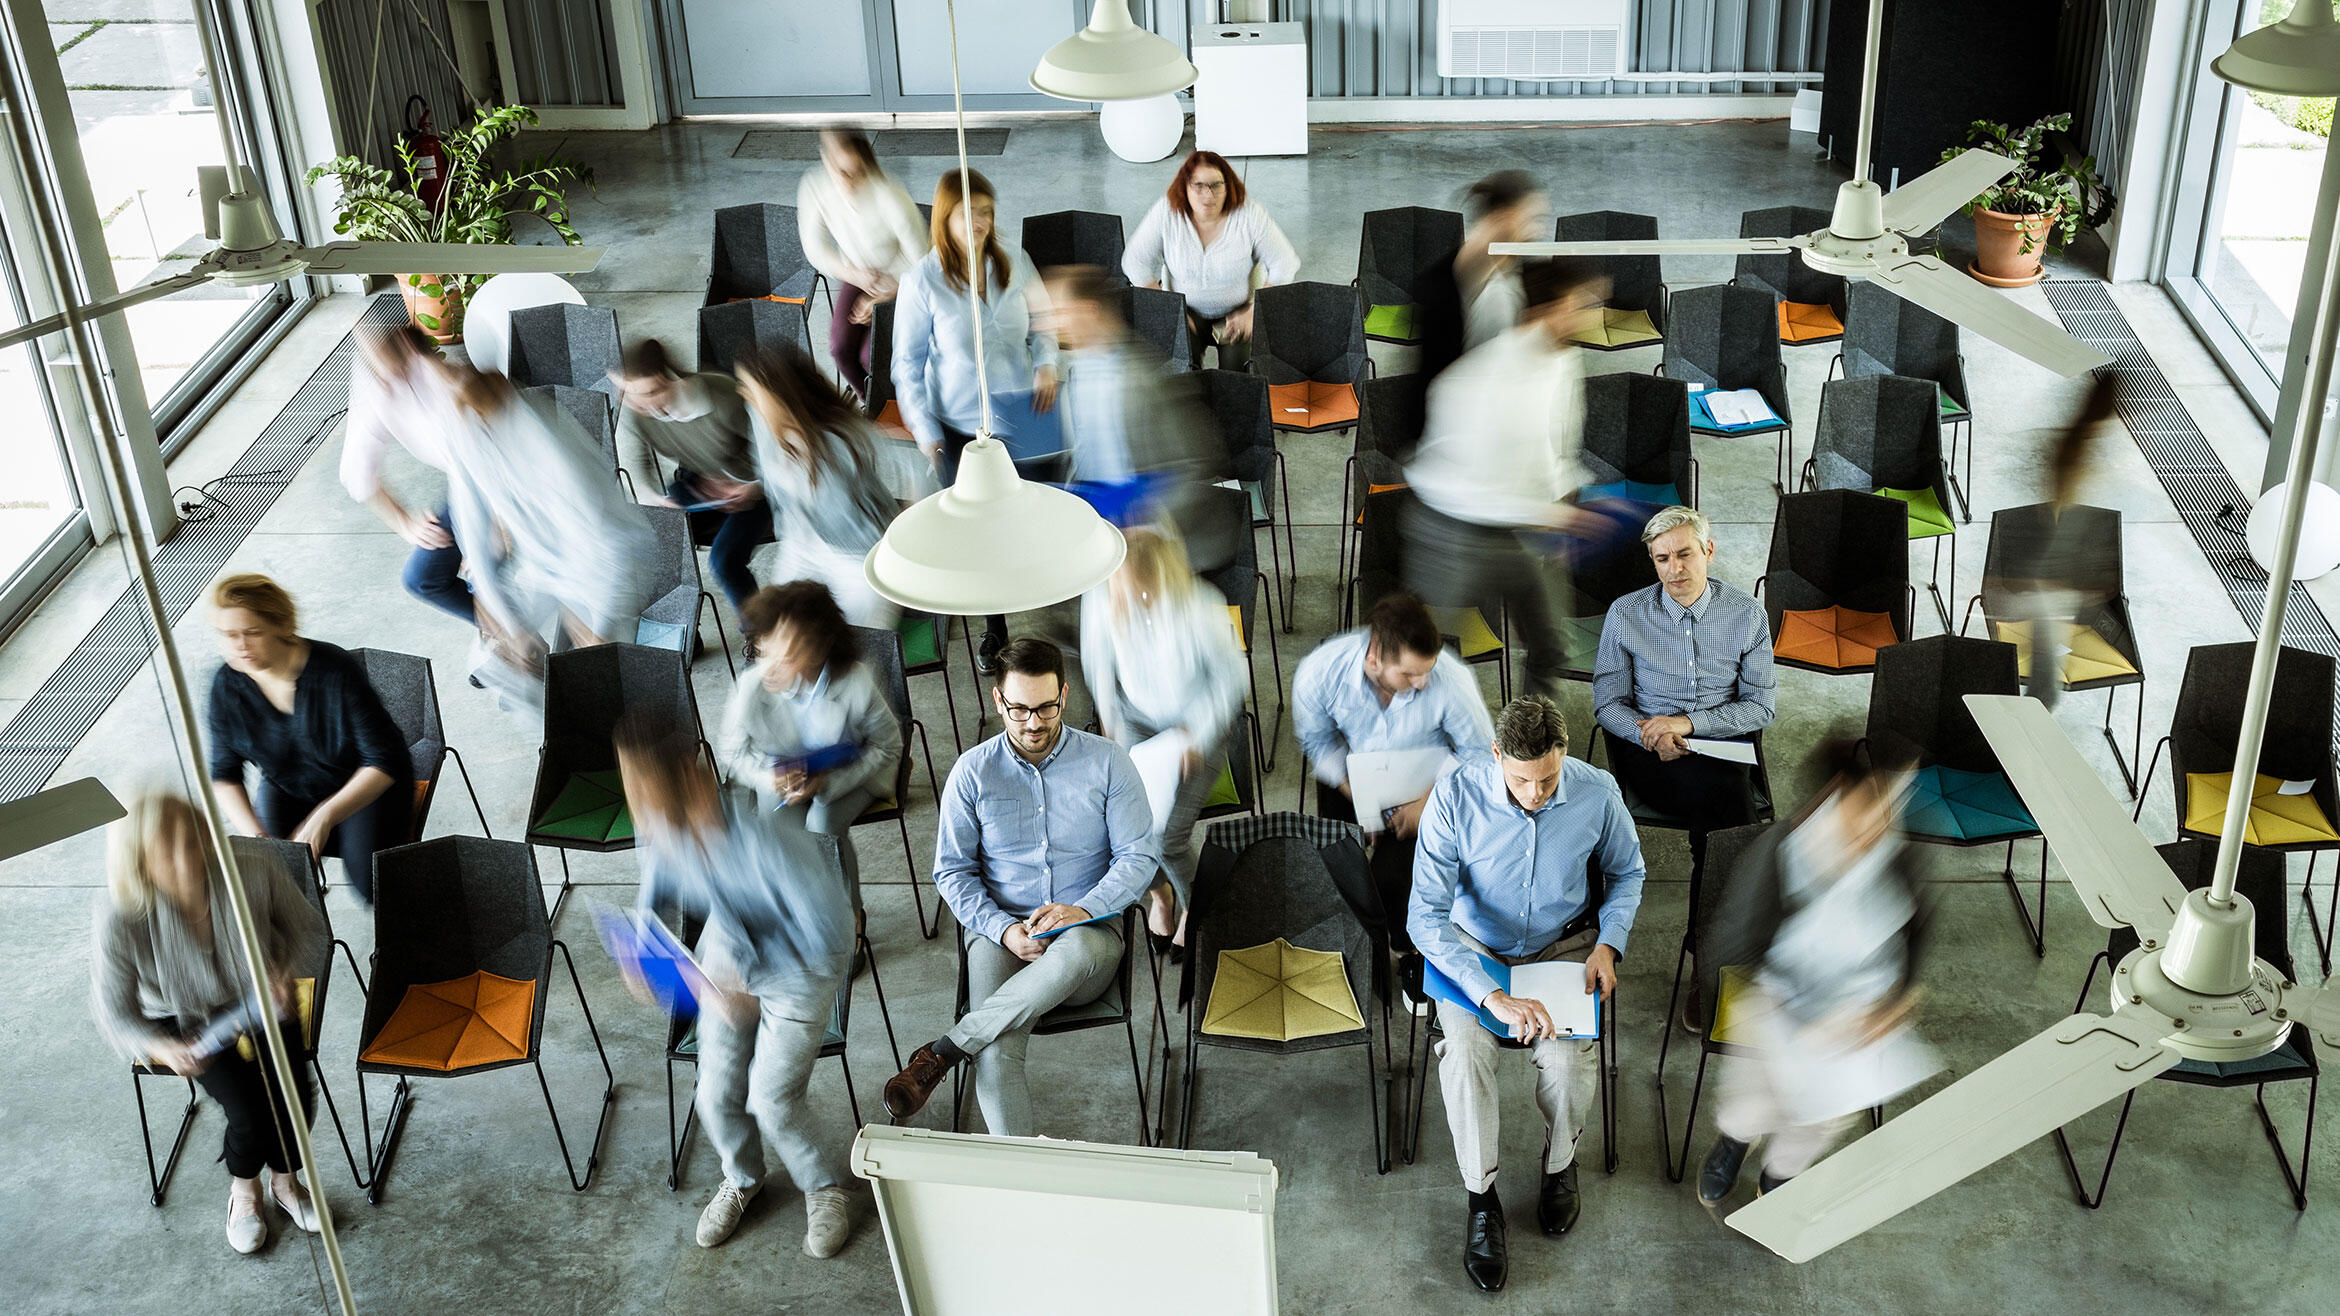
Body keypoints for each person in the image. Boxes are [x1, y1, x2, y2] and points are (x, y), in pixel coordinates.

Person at [1408, 697, 1646, 1292]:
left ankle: (1560, 1167)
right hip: (1474, 953)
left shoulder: (1598, 792)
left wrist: (1608, 945)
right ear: (1497, 756)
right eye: (1521, 780)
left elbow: (1628, 872)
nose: (1536, 793)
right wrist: (1491, 996)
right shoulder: (1454, 797)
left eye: (1548, 778)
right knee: (1463, 1056)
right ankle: (1482, 1198)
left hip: (1561, 948)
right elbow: (1425, 916)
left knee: (1569, 1060)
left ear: (1564, 758)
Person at [880, 638, 1158, 1136]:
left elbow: (1139, 855)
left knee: (1069, 954)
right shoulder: (971, 773)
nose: (1035, 722)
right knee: (994, 1053)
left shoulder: (1109, 761)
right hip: (1001, 935)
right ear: (997, 701)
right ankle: (1025, 1174)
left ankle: (944, 1050)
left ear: (1065, 695)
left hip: (1088, 939)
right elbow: (952, 872)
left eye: (1047, 707)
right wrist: (1004, 931)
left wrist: (1084, 909)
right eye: (1021, 709)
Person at [617, 721, 859, 1258]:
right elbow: (655, 886)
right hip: (729, 951)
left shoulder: (770, 841)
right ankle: (744, 1177)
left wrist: (748, 986)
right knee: (715, 1094)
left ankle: (825, 1186)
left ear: (690, 779)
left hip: (800, 969)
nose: (637, 807)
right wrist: (643, 943)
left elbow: (836, 936)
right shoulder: (663, 827)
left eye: (643, 790)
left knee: (772, 1100)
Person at [1698, 740, 1933, 1208]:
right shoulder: (1781, 853)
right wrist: (1774, 1012)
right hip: (1773, 1003)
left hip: (1852, 1020)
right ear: (1837, 793)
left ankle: (1779, 1175)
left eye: (1890, 807)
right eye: (1870, 804)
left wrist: (1897, 1002)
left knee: (1816, 1120)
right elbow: (1730, 949)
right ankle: (1734, 1142)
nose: (1879, 823)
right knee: (1751, 1104)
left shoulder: (1902, 859)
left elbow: (1915, 937)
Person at [91, 791, 328, 1254]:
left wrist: (283, 968)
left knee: (295, 1094)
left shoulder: (254, 868)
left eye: (195, 835)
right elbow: (115, 1015)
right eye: (169, 848)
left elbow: (307, 928)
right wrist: (161, 1048)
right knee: (248, 1111)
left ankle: (285, 1181)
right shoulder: (119, 915)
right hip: (184, 1015)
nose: (191, 854)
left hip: (259, 989)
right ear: (139, 862)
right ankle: (245, 1192)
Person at [1592, 504, 1776, 1031]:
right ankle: (1713, 962)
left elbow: (1761, 707)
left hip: (1716, 744)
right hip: (1648, 752)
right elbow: (1608, 704)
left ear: (1709, 552)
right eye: (1662, 558)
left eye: (1685, 554)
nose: (1675, 568)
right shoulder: (1626, 613)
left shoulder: (1747, 614)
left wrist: (1688, 725)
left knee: (1723, 808)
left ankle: (1710, 954)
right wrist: (1654, 734)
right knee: (1731, 824)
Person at [1404, 258, 1609, 704]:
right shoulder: (1485, 378)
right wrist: (1555, 516)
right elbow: (1474, 485)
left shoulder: (1566, 359)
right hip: (1450, 526)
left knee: (1550, 644)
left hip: (1518, 526)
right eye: (1582, 305)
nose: (1592, 315)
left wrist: (1565, 502)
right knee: (1421, 657)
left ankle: (1531, 744)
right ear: (1545, 311)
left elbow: (1556, 448)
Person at [893, 168, 1061, 668]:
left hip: (1021, 411)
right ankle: (995, 630)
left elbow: (1045, 323)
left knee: (1036, 508)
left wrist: (1049, 363)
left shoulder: (1016, 262)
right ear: (946, 218)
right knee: (981, 535)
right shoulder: (921, 281)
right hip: (959, 425)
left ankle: (1045, 590)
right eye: (970, 213)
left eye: (987, 211)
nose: (981, 222)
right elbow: (906, 367)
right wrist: (925, 432)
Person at [1293, 592, 1495, 967]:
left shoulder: (1453, 681)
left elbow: (1480, 755)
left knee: (1393, 879)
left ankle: (1407, 949)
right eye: (1409, 674)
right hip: (1352, 774)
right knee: (1337, 866)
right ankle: (1352, 942)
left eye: (1427, 671)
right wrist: (1360, 799)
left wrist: (1426, 804)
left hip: (1426, 785)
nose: (1422, 683)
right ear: (1374, 659)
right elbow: (1319, 742)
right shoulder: (1319, 672)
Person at [441, 368, 656, 707]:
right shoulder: (470, 435)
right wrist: (511, 627)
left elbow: (598, 535)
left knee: (603, 669)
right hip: (545, 565)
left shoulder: (548, 442)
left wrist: (584, 616)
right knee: (506, 669)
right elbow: (472, 524)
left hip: (607, 560)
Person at [1079, 526, 1248, 947]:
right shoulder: (1105, 597)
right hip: (1138, 719)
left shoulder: (1200, 605)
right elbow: (1099, 667)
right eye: (1123, 590)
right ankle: (1162, 894)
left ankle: (1199, 910)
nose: (1130, 600)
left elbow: (1230, 680)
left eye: (1140, 590)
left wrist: (1195, 735)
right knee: (1125, 832)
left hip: (1199, 719)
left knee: (1169, 841)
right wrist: (1113, 731)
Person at [205, 573, 411, 906]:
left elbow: (384, 760)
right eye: (229, 635)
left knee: (371, 885)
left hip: (363, 785)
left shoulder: (334, 671)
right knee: (271, 882)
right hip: (288, 785)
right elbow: (224, 775)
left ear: (283, 626)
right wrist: (258, 837)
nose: (239, 646)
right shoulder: (227, 686)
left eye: (252, 633)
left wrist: (323, 817)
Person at [716, 581, 901, 903]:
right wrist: (769, 779)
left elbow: (888, 746)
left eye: (786, 657)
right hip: (784, 779)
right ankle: (806, 911)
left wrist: (828, 782)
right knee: (774, 831)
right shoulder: (751, 687)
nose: (768, 668)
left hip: (854, 772)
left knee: (822, 824)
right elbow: (733, 751)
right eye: (763, 651)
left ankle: (851, 913)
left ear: (819, 649)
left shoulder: (857, 682)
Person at [1046, 264, 1239, 573]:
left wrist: (1137, 525)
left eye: (1059, 312)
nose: (1050, 323)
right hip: (1106, 537)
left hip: (1163, 550)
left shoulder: (1145, 379)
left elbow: (1192, 470)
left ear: (1088, 310)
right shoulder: (1075, 372)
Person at [735, 342, 901, 629]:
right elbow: (772, 480)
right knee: (781, 626)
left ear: (779, 397)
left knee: (855, 640)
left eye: (752, 389)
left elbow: (909, 465)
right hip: (803, 545)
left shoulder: (841, 439)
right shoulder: (761, 421)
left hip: (860, 557)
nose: (744, 394)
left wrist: (907, 527)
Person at [1986, 374, 2122, 707]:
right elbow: (2058, 528)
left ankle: (2026, 721)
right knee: (2046, 689)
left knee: (2047, 685)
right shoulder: (2077, 452)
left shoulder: (2078, 442)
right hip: (2040, 586)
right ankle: (2023, 731)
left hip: (2048, 584)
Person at [609, 338, 769, 614]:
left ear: (667, 380)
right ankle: (681, 630)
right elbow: (633, 463)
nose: (635, 403)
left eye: (647, 393)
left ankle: (759, 630)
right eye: (626, 393)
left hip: (757, 488)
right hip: (704, 482)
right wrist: (656, 501)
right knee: (652, 543)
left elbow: (775, 449)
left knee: (724, 562)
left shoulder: (722, 397)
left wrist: (754, 487)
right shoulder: (638, 408)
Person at [1121, 149, 1300, 371]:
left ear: (1228, 186)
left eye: (1216, 185)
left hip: (1237, 313)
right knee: (1178, 373)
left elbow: (1286, 262)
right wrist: (1167, 310)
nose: (1208, 195)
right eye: (1198, 186)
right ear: (1185, 186)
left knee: (1239, 377)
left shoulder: (1249, 215)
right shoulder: (1167, 213)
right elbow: (1134, 261)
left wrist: (1253, 312)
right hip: (1184, 311)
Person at [340, 324, 471, 622]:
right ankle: (507, 634)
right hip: (469, 488)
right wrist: (404, 523)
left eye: (392, 368)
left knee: (485, 573)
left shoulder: (449, 378)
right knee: (421, 579)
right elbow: (356, 470)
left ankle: (514, 630)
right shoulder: (379, 386)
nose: (386, 381)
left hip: (509, 480)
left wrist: (485, 536)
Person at [797, 126, 930, 396]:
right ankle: (869, 402)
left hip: (901, 278)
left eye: (855, 173)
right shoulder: (815, 187)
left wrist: (887, 294)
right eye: (841, 172)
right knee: (840, 348)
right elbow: (815, 248)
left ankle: (896, 403)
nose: (849, 182)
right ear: (826, 160)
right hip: (857, 274)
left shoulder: (889, 193)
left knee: (872, 356)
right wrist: (855, 276)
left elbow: (922, 260)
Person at [1454, 170, 1553, 354]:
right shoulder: (1471, 272)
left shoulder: (1514, 268)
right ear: (1504, 215)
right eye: (1532, 219)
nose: (1539, 230)